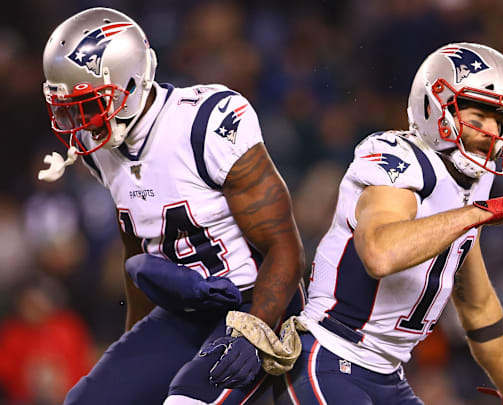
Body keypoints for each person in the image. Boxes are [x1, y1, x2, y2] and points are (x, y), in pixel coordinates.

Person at [38, 7, 306, 405]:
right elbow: (139, 249)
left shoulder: (205, 124)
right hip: (183, 310)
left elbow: (286, 249)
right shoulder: (103, 151)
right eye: (69, 108)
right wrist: (130, 355)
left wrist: (255, 329)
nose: (79, 121)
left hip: (255, 301)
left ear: (129, 84)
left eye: (88, 105)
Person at [275, 43, 503, 405]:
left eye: (502, 121)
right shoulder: (398, 158)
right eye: (479, 117)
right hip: (330, 356)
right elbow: (379, 253)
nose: (492, 132)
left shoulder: (473, 182)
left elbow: (477, 304)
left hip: (388, 377)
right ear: (434, 107)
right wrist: (478, 214)